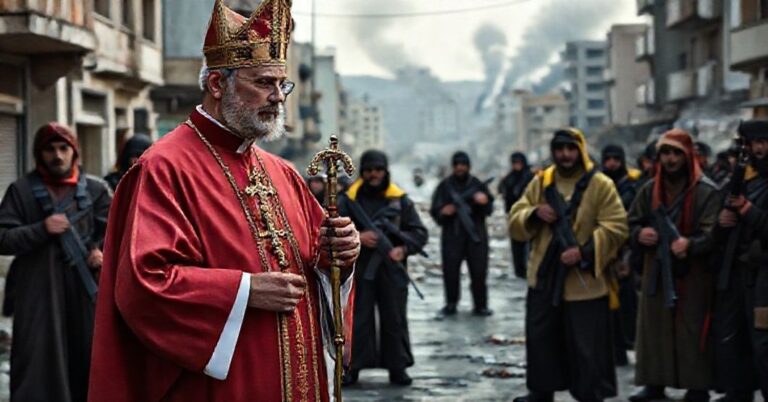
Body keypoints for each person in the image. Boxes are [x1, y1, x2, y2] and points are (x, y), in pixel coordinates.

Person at [87, 1, 361, 401]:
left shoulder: (281, 172)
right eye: (263, 83)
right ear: (218, 84)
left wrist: (338, 258)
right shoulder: (163, 168)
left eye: (281, 85)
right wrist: (245, 291)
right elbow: (144, 284)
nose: (277, 98)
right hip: (224, 384)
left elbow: (314, 266)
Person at [509, 128, 628, 402]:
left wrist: (584, 252)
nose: (565, 155)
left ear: (580, 150)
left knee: (586, 348)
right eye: (560, 149)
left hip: (584, 282)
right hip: (545, 276)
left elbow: (617, 226)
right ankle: (541, 390)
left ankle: (590, 394)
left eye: (571, 149)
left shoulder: (600, 184)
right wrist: (534, 213)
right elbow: (516, 218)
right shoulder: (541, 182)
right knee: (541, 340)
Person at [0, 122, 112, 402]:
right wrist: (41, 228)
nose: (57, 156)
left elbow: (120, 233)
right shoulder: (21, 191)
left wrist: (100, 252)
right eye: (50, 149)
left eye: (64, 148)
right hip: (37, 295)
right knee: (37, 365)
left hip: (85, 295)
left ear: (75, 152)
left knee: (88, 361)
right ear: (40, 153)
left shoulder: (97, 191)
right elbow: (3, 238)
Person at [628, 129, 721, 402]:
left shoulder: (705, 191)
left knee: (690, 330)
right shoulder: (649, 190)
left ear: (687, 155)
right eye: (665, 153)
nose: (670, 160)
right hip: (655, 270)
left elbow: (714, 232)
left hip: (693, 274)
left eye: (676, 153)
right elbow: (631, 221)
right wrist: (639, 234)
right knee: (654, 328)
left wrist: (690, 244)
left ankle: (697, 386)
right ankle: (654, 384)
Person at [338, 150, 428, 387]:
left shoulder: (400, 201)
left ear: (385, 171)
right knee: (357, 319)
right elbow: (328, 230)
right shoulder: (348, 200)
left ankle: (397, 367)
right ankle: (351, 367)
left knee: (394, 318)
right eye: (368, 170)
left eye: (378, 170)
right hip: (358, 268)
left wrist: (403, 250)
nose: (373, 174)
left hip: (391, 269)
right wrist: (358, 236)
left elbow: (419, 233)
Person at [712, 119, 768, 402]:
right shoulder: (743, 179)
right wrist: (723, 221)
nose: (758, 148)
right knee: (736, 336)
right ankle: (739, 392)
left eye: (763, 142)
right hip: (740, 272)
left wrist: (747, 210)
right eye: (752, 143)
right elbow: (720, 224)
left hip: (765, 276)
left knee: (764, 341)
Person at [430, 151, 494, 317]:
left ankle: (480, 305)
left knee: (479, 272)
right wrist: (444, 211)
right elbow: (435, 210)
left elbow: (489, 209)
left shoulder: (478, 184)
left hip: (476, 235)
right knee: (451, 272)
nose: (460, 168)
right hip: (452, 236)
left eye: (463, 165)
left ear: (468, 166)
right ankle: (451, 304)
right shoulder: (445, 186)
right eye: (457, 165)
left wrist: (484, 200)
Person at [601, 144, 642, 367]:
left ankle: (629, 345)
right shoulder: (598, 184)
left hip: (628, 249)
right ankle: (615, 350)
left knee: (628, 302)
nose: (612, 164)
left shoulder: (633, 184)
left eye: (617, 159)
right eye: (609, 159)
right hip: (604, 250)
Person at [498, 152, 535, 279]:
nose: (517, 165)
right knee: (517, 245)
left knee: (532, 245)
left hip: (530, 215)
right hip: (514, 215)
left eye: (519, 163)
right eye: (515, 163)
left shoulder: (531, 177)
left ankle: (530, 271)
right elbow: (502, 190)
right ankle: (519, 272)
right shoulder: (509, 178)